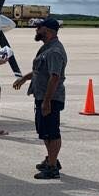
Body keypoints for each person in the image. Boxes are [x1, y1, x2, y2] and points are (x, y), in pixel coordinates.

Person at [13, 18, 67, 180]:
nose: (36, 31)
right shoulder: (47, 48)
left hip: (50, 98)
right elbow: (40, 71)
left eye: (39, 28)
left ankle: (52, 168)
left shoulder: (55, 52)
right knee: (44, 131)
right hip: (42, 96)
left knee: (52, 132)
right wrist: (24, 78)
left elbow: (55, 77)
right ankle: (51, 159)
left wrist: (47, 101)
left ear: (48, 31)